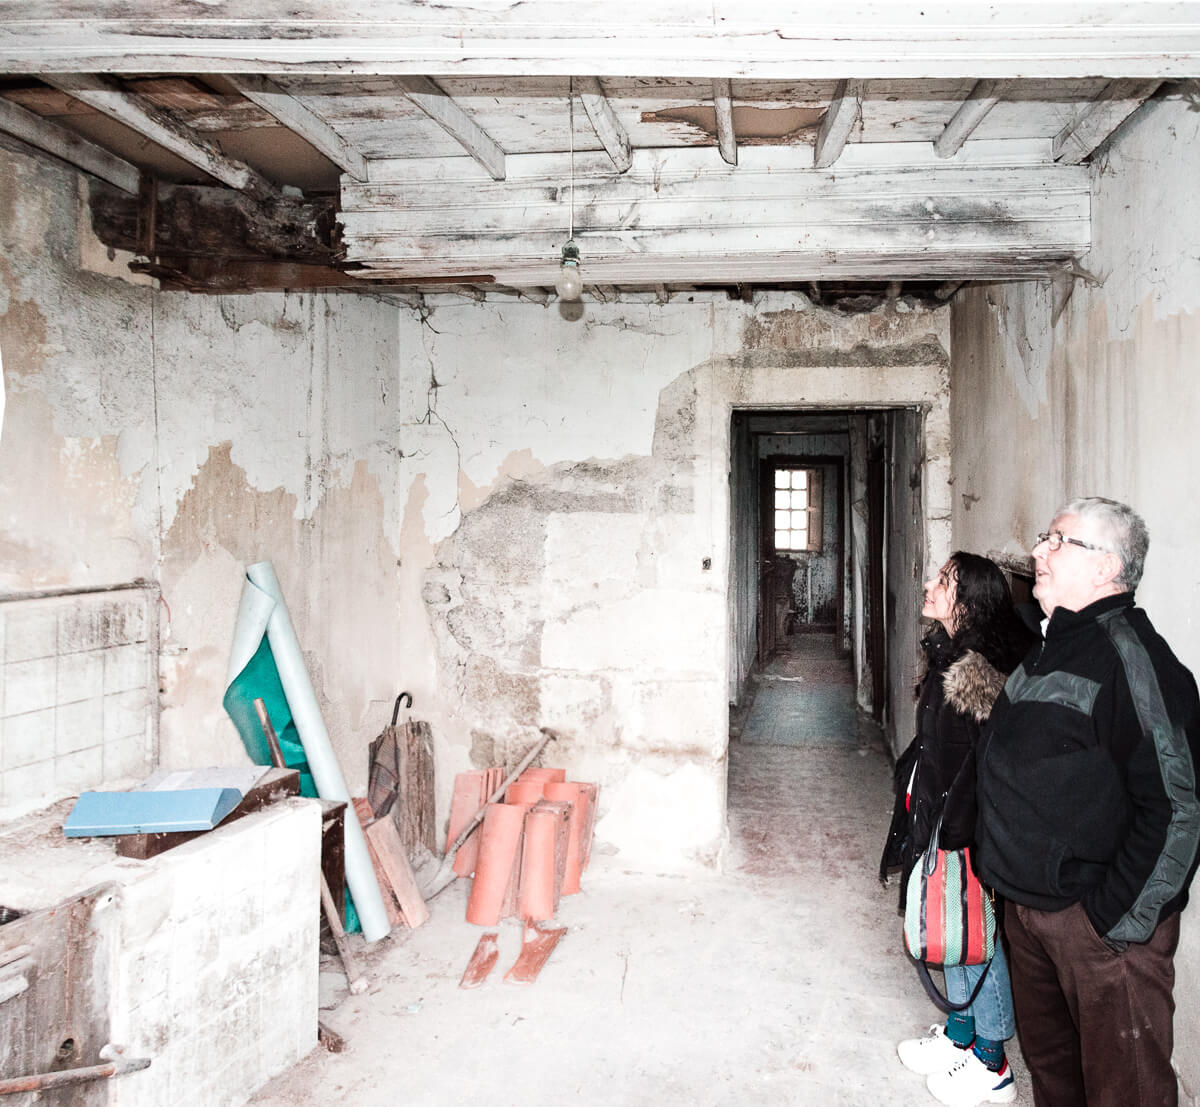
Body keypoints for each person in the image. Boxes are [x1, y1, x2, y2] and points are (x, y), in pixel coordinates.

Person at [976, 497, 1200, 1107]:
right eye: (1044, 539)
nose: (1037, 552)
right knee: (1053, 1076)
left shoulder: (1135, 659)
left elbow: (1178, 810)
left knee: (1122, 1089)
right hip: (1029, 908)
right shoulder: (1051, 645)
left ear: (1106, 568)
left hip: (1096, 926)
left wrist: (1111, 923)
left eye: (1057, 541)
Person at [881, 551, 1032, 1107]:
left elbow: (983, 765)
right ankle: (962, 1035)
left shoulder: (978, 666)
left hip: (965, 828)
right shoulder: (948, 650)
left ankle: (993, 1064)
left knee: (975, 938)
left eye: (942, 581)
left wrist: (957, 835)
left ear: (968, 598)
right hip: (941, 818)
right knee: (953, 929)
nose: (928, 585)